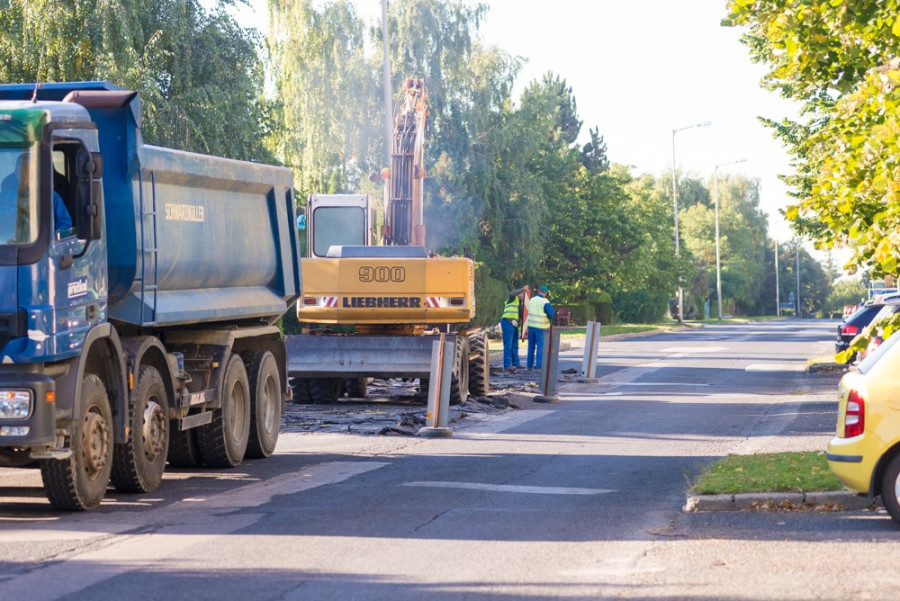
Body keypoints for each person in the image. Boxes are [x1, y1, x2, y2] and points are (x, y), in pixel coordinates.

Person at [526, 285, 555, 370]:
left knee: (531, 347)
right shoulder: (544, 301)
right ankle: (539, 366)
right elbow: (551, 314)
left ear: (539, 291)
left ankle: (529, 366)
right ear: (545, 293)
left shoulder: (532, 300)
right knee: (540, 347)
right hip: (541, 327)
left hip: (531, 326)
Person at [500, 285, 529, 372]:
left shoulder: (520, 304)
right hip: (507, 322)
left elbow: (522, 317)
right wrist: (523, 289)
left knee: (515, 344)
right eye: (522, 294)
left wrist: (523, 330)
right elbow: (512, 293)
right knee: (508, 345)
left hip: (514, 324)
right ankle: (507, 365)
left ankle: (516, 363)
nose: (523, 296)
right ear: (519, 294)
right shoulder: (513, 298)